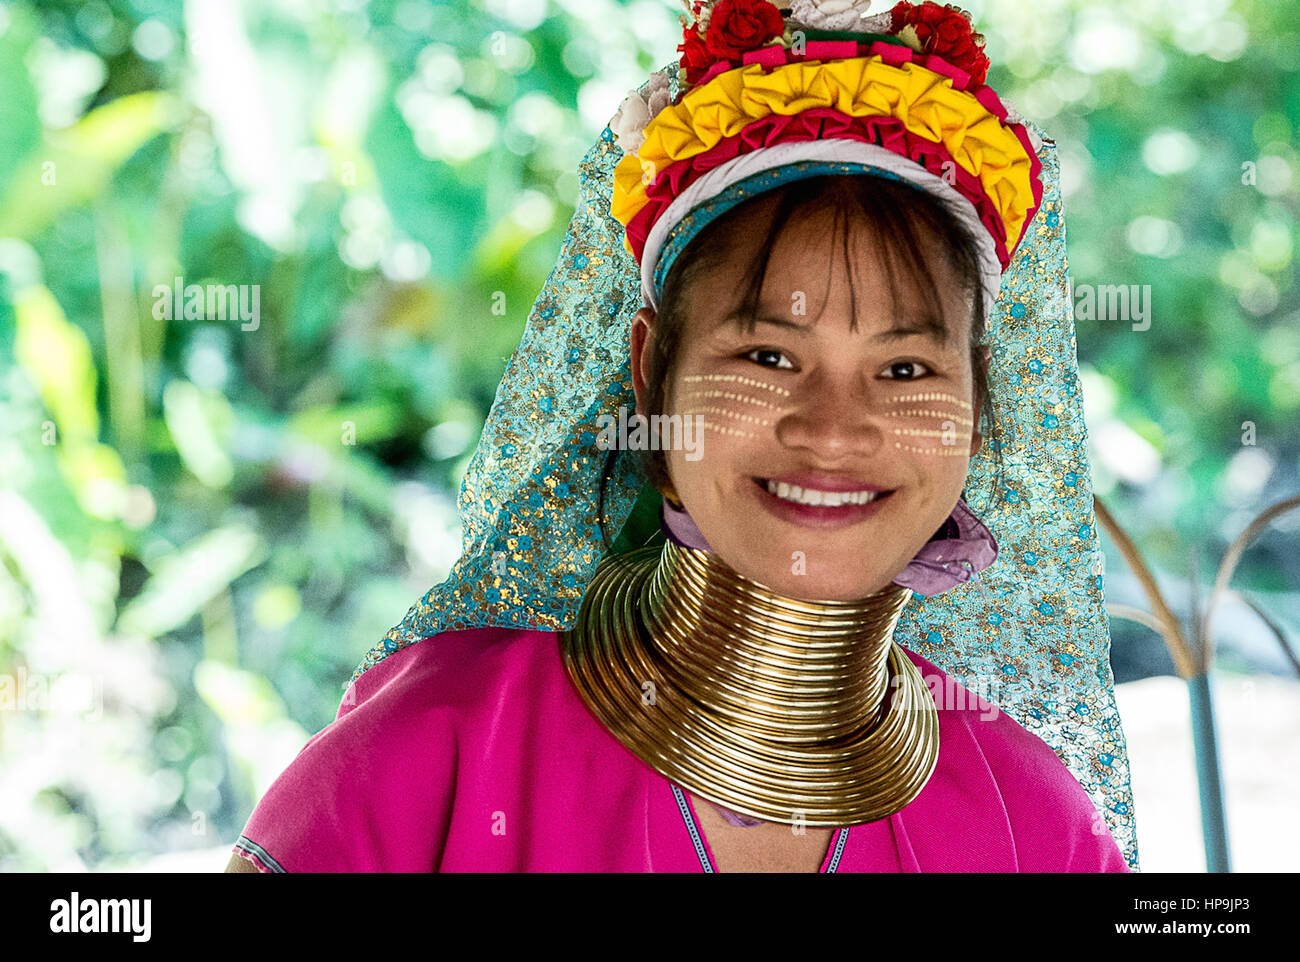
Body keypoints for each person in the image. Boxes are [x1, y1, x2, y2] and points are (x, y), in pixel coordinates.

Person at [227, 0, 1137, 873]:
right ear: (651, 367)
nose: (833, 429)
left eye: (904, 370)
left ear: (977, 403)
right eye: (768, 356)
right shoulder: (434, 758)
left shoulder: (1034, 827)